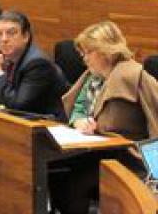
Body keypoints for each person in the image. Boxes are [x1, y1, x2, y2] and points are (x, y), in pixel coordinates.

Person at [51, 21, 158, 214]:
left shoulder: (134, 76)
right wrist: (79, 122)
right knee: (57, 170)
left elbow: (155, 122)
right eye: (83, 53)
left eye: (88, 52)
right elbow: (78, 108)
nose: (84, 59)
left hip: (129, 157)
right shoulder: (93, 77)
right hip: (99, 151)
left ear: (106, 51)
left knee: (73, 180)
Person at [0, 11, 67, 118]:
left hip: (46, 124)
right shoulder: (2, 58)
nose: (4, 39)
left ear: (26, 36)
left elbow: (17, 106)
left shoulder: (38, 64)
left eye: (11, 33)